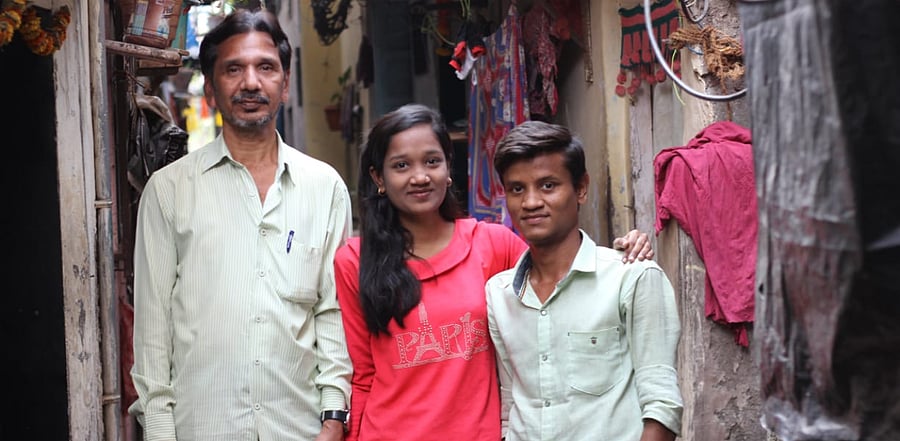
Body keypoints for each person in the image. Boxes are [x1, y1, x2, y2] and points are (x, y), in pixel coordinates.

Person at [333, 104, 654, 441]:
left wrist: (622, 253)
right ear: (378, 178)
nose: (420, 177)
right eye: (401, 166)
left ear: (448, 167)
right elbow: (363, 375)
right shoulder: (355, 260)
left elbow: (564, 280)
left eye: (432, 161)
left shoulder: (492, 244)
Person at [129, 9, 352, 441]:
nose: (251, 83)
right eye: (234, 69)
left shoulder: (325, 188)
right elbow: (152, 328)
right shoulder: (169, 190)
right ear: (210, 89)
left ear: (285, 84)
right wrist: (159, 432)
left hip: (300, 429)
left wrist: (333, 417)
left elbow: (332, 312)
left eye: (266, 67)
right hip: (201, 429)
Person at [486, 121, 684, 441]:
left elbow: (661, 407)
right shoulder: (499, 294)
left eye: (548, 185)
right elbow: (509, 406)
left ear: (581, 188)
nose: (531, 202)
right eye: (517, 189)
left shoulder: (631, 277)